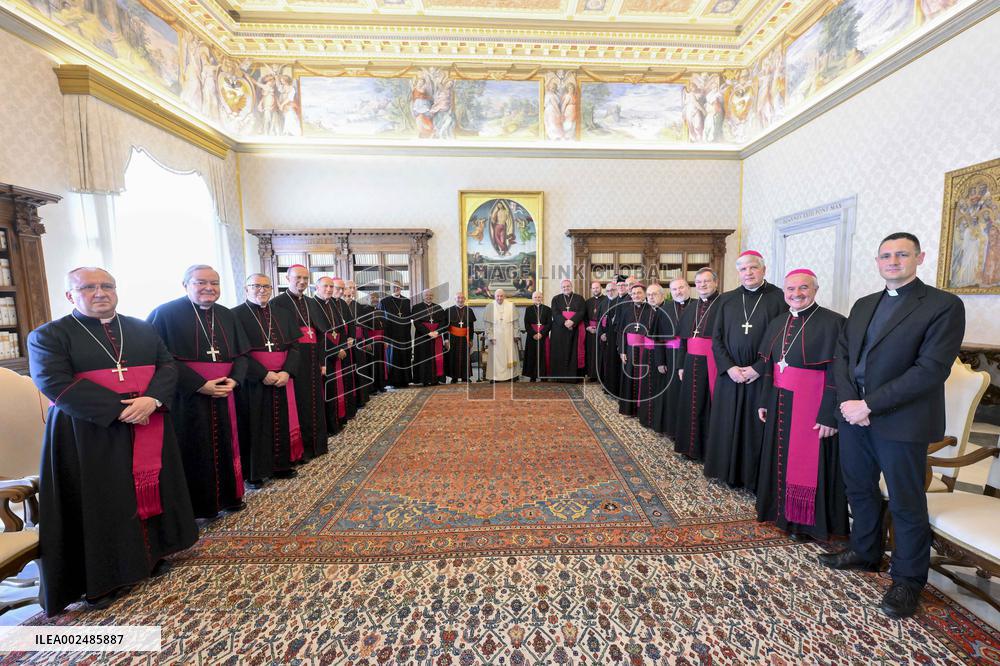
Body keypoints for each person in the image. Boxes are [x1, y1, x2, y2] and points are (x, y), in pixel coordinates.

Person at [29, 267, 197, 616]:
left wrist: (151, 400)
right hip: (88, 434)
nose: (99, 293)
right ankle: (102, 579)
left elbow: (167, 366)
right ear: (70, 295)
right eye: (88, 287)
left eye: (106, 286)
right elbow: (54, 382)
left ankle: (149, 556)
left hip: (147, 420)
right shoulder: (48, 335)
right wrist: (119, 410)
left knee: (145, 489)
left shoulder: (140, 328)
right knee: (102, 501)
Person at [822, 232, 965, 619]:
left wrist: (869, 404)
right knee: (859, 487)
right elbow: (844, 356)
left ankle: (907, 580)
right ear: (877, 261)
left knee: (906, 501)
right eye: (885, 255)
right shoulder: (865, 303)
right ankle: (865, 551)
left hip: (901, 420)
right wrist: (851, 403)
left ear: (920, 258)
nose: (892, 261)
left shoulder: (943, 306)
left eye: (901, 254)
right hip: (854, 415)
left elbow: (930, 370)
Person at [148, 265, 250, 518]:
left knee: (228, 445)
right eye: (201, 282)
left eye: (214, 283)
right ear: (185, 285)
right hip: (187, 398)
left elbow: (242, 355)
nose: (209, 288)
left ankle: (229, 497)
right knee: (192, 449)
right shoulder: (165, 314)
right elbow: (162, 360)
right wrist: (200, 385)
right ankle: (196, 506)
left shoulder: (227, 315)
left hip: (225, 393)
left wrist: (235, 381)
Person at [755, 269, 848, 543]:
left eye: (803, 288)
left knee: (811, 463)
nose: (796, 294)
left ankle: (809, 524)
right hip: (780, 400)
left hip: (813, 405)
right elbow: (772, 365)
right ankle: (780, 513)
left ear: (815, 290)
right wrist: (764, 399)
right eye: (790, 290)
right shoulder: (778, 321)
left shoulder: (834, 323)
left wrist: (830, 414)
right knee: (779, 457)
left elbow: (837, 373)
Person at [704, 251, 786, 490]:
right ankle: (725, 471)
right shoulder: (726, 300)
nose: (748, 273)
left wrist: (758, 368)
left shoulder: (779, 298)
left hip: (760, 375)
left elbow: (782, 340)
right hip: (730, 375)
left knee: (754, 428)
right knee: (726, 421)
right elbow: (716, 339)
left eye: (753, 268)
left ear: (763, 269)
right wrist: (729, 367)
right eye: (743, 269)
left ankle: (752, 478)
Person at [232, 274, 302, 488]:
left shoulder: (283, 314)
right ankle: (255, 473)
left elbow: (295, 348)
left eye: (266, 286)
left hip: (281, 377)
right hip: (253, 381)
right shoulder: (235, 315)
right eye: (256, 286)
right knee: (255, 424)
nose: (262, 290)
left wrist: (287, 372)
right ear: (246, 289)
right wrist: (263, 374)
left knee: (281, 420)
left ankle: (281, 465)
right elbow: (238, 353)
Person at [270, 264, 331, 459]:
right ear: (288, 278)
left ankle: (317, 445)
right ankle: (301, 449)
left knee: (315, 401)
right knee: (299, 403)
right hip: (294, 359)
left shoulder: (312, 302)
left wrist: (322, 362)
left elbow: (320, 334)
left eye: (305, 278)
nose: (302, 281)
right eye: (298, 278)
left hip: (313, 359)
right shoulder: (277, 303)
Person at [674, 268, 722, 460]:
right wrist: (680, 366)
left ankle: (707, 450)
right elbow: (683, 341)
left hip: (712, 364)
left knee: (708, 404)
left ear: (716, 283)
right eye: (699, 282)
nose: (702, 285)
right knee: (690, 404)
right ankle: (689, 447)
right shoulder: (692, 307)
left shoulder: (723, 305)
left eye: (707, 281)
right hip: (690, 362)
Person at [652, 278, 690, 437]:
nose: (678, 292)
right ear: (670, 292)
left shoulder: (697, 306)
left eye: (681, 288)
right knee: (673, 394)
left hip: (691, 357)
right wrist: (660, 361)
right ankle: (673, 429)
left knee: (690, 394)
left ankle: (688, 431)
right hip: (671, 357)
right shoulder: (664, 309)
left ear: (688, 288)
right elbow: (658, 338)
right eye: (674, 289)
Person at [314, 277, 352, 429]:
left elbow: (341, 329)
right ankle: (330, 424)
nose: (329, 289)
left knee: (337, 387)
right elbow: (319, 333)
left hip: (338, 352)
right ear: (317, 287)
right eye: (325, 286)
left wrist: (342, 347)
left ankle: (338, 419)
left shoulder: (333, 304)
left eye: (331, 286)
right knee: (327, 390)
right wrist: (336, 349)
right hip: (324, 354)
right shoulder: (313, 305)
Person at [615, 283, 655, 417]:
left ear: (644, 294)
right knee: (629, 378)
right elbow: (620, 331)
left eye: (639, 293)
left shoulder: (651, 310)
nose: (636, 295)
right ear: (630, 296)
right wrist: (622, 351)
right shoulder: (626, 310)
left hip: (645, 350)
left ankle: (641, 410)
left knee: (643, 379)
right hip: (629, 350)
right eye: (633, 294)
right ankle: (628, 409)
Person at [549, 279, 586, 381]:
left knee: (574, 353)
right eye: (564, 287)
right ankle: (559, 377)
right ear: (561, 288)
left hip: (575, 329)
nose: (566, 288)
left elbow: (582, 312)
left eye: (568, 286)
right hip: (559, 330)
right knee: (559, 352)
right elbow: (555, 312)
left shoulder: (579, 298)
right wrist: (565, 322)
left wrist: (572, 321)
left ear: (571, 286)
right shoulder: (556, 299)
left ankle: (573, 377)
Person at [340, 284, 370, 408]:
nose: (348, 298)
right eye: (346, 295)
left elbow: (364, 325)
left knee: (360, 369)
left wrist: (367, 341)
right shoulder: (338, 306)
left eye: (350, 295)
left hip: (357, 341)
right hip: (344, 342)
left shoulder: (358, 306)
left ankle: (361, 398)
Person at [379, 282, 412, 388]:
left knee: (405, 357)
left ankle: (405, 380)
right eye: (394, 287)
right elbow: (381, 320)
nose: (396, 288)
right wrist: (384, 339)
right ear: (390, 288)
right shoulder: (384, 301)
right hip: (391, 335)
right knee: (393, 359)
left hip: (405, 335)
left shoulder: (406, 301)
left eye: (398, 287)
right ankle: (394, 382)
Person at [411, 289, 447, 386]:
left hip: (436, 336)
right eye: (426, 295)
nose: (429, 296)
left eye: (430, 295)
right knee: (423, 357)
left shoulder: (438, 307)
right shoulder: (416, 307)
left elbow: (444, 322)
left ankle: (435, 379)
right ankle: (424, 380)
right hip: (422, 337)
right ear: (423, 296)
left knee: (435, 358)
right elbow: (417, 323)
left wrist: (437, 332)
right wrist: (428, 333)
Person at [484, 288, 518, 382]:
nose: (499, 298)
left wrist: (516, 335)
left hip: (509, 336)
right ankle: (495, 377)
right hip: (495, 337)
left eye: (501, 296)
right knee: (496, 358)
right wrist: (490, 336)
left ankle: (510, 376)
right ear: (494, 296)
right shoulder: (490, 306)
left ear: (504, 296)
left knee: (509, 356)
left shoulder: (511, 306)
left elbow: (515, 323)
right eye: (497, 296)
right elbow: (487, 325)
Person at [357, 291, 387, 394]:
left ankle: (381, 385)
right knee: (371, 364)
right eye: (372, 297)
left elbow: (384, 327)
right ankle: (372, 388)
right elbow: (364, 327)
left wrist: (385, 341)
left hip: (380, 340)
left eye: (376, 297)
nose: (374, 299)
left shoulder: (380, 310)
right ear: (367, 299)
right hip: (370, 340)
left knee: (380, 363)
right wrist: (367, 341)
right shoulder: (364, 311)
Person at [443, 292, 476, 383]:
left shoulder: (469, 311)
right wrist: (446, 340)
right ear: (455, 299)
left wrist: (471, 339)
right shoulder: (449, 311)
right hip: (453, 337)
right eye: (458, 298)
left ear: (464, 299)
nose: (460, 300)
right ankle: (454, 377)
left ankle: (466, 376)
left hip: (465, 337)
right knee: (453, 357)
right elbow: (445, 327)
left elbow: (471, 327)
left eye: (462, 298)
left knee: (465, 357)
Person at [522, 291, 552, 382]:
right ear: (532, 299)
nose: (537, 299)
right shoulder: (528, 309)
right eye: (535, 297)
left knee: (543, 356)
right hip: (532, 336)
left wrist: (541, 333)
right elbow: (526, 324)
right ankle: (532, 375)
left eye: (539, 297)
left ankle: (544, 375)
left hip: (543, 336)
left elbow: (549, 324)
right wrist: (533, 334)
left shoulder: (547, 309)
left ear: (542, 298)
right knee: (532, 356)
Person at [584, 281, 606, 382]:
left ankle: (600, 375)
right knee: (590, 352)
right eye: (593, 288)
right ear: (591, 290)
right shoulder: (588, 302)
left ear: (601, 288)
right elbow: (584, 317)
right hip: (590, 332)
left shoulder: (606, 300)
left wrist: (599, 329)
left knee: (600, 352)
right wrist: (588, 327)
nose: (595, 290)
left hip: (601, 331)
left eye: (597, 288)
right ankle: (591, 375)